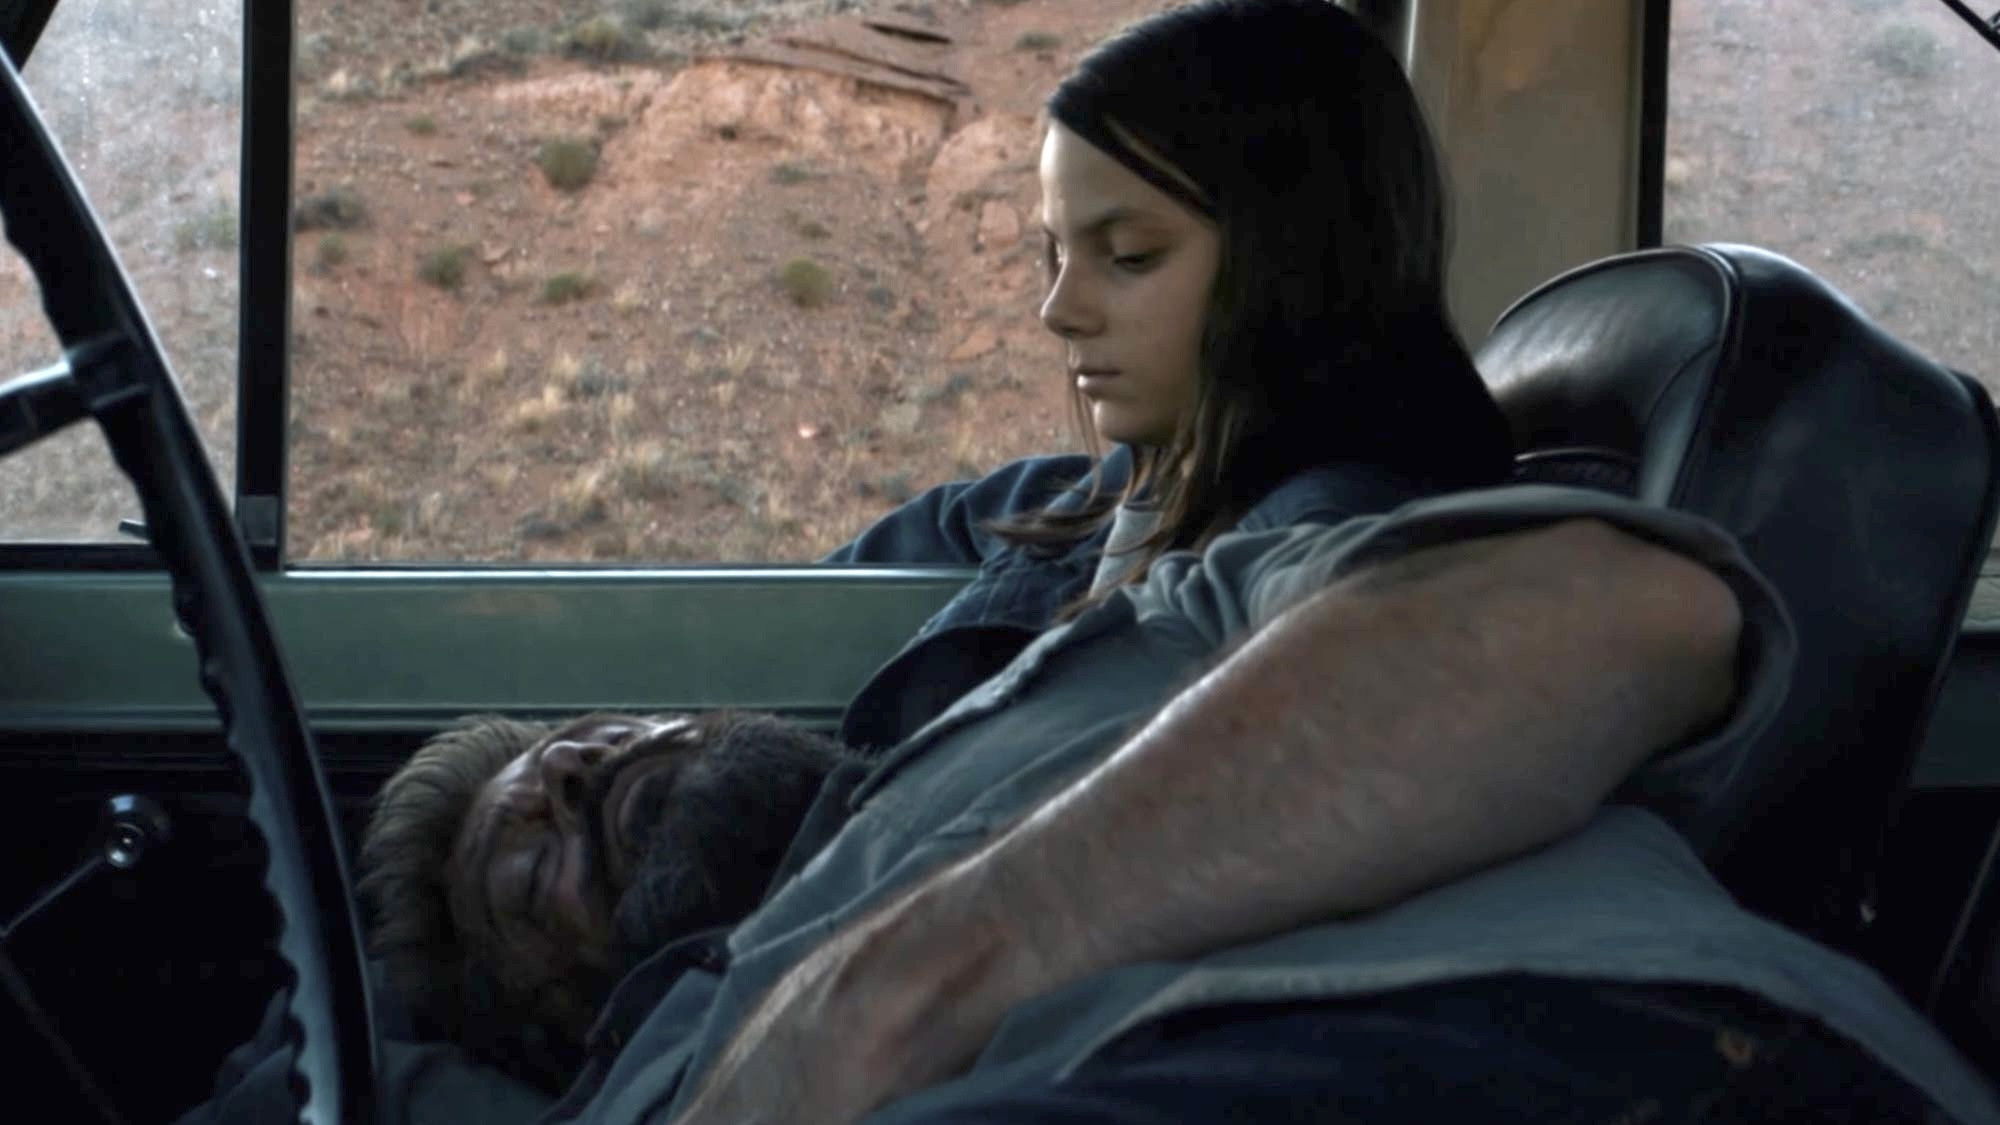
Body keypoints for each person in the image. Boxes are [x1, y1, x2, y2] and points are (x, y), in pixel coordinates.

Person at [351, 0, 1518, 1090]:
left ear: (1296, 263)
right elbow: (815, 608)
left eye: (1127, 254)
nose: (1059, 309)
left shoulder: (1330, 563)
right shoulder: (1087, 506)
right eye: (1050, 255)